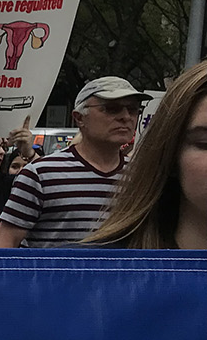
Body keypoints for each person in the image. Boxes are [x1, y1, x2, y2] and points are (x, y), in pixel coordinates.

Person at [0, 76, 147, 248]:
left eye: (133, 110)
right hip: (52, 275)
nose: (126, 117)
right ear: (79, 118)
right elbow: (4, 245)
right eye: (112, 109)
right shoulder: (39, 175)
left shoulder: (142, 177)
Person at [84, 61, 207, 249]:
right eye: (205, 143)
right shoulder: (85, 270)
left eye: (133, 109)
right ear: (170, 155)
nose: (125, 117)